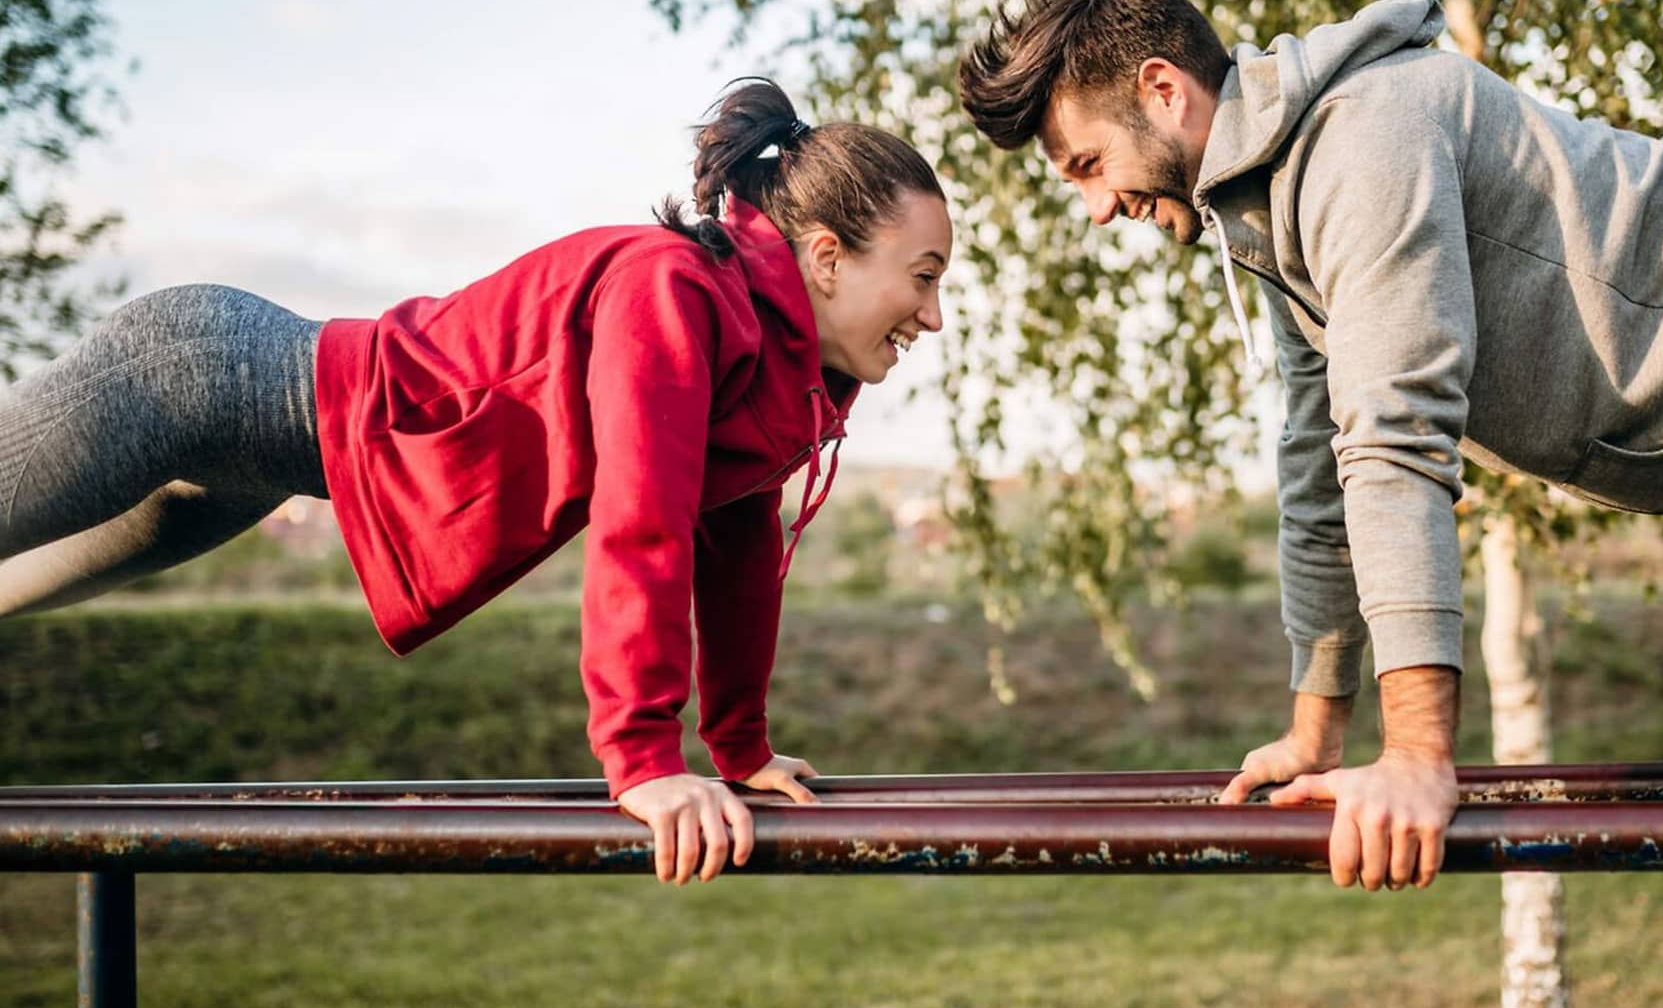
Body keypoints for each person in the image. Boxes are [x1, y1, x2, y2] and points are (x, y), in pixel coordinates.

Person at [957, 0, 1663, 894]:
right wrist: (1315, 722)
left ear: (1161, 90)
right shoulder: (1270, 214)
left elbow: (1394, 437)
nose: (1095, 206)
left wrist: (1419, 752)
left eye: (1086, 166)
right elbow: (1318, 470)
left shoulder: (1358, 141)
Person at [0, 78, 952, 886]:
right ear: (827, 257)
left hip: (254, 459)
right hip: (198, 380)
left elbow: (738, 544)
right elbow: (642, 517)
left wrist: (740, 748)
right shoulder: (676, 292)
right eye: (923, 275)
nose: (935, 314)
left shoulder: (787, 378)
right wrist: (643, 759)